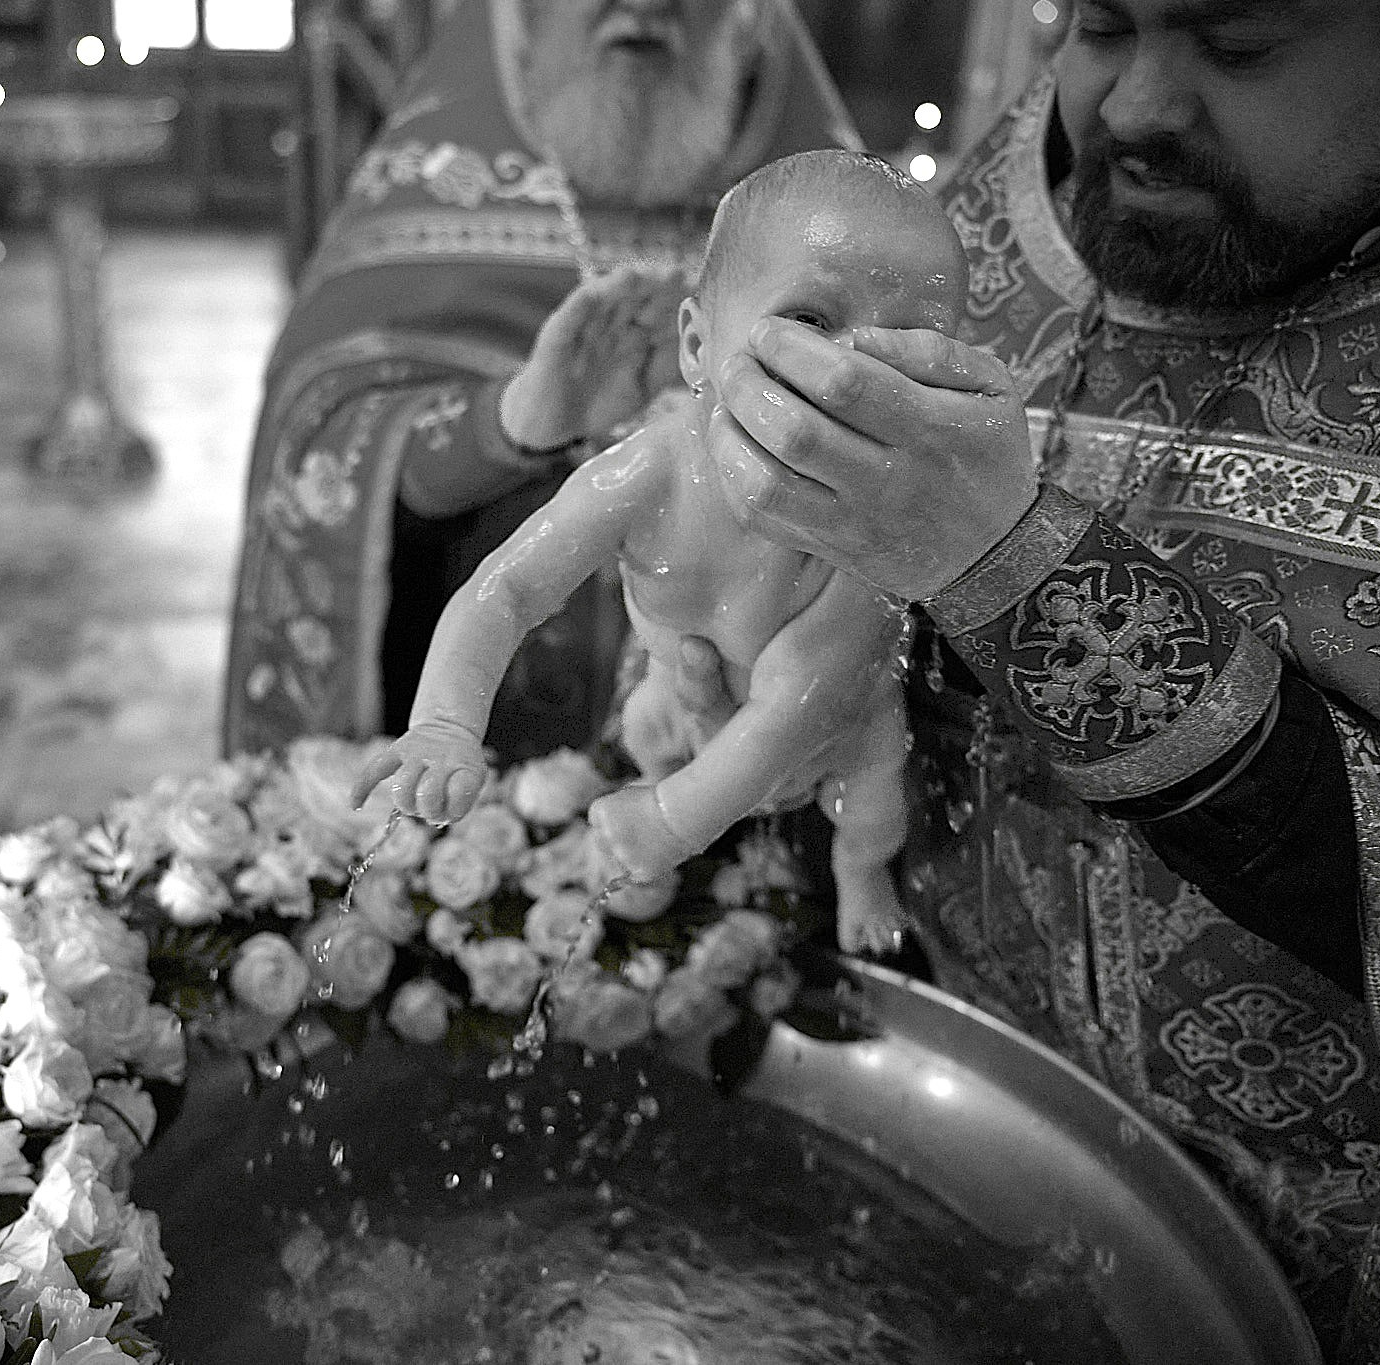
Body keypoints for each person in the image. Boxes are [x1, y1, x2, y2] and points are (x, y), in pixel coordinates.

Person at [661, 1, 1380, 1358]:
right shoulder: (990, 210)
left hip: (1338, 1261)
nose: (1136, 104)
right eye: (1099, 25)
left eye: (1238, 45)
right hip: (945, 1145)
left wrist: (1016, 570)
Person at [221, 0, 858, 766]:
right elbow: (318, 438)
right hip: (486, 782)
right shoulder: (434, 194)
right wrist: (504, 423)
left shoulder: (829, 222)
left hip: (760, 758)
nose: (647, 7)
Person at [351, 151, 957, 954]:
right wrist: (443, 721)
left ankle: (860, 870)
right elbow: (509, 588)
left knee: (875, 806)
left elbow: (797, 705)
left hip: (843, 730)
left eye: (905, 344)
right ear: (697, 344)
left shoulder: (870, 528)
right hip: (676, 696)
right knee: (648, 733)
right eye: (811, 320)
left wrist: (672, 822)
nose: (848, 373)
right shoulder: (649, 471)